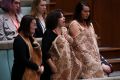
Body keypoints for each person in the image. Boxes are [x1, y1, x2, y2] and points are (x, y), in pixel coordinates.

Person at [68, 2, 105, 79]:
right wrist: (91, 62)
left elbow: (94, 43)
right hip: (83, 60)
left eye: (88, 11)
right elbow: (80, 46)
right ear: (79, 12)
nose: (87, 13)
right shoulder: (74, 24)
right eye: (85, 11)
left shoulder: (90, 24)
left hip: (95, 57)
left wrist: (97, 60)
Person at [41, 9, 72, 80]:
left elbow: (71, 43)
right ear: (55, 19)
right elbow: (45, 51)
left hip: (65, 67)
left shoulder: (64, 31)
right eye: (61, 17)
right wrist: (52, 66)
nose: (64, 18)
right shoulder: (48, 33)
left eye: (64, 16)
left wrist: (68, 38)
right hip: (54, 69)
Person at [11, 15, 44, 80]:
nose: (36, 27)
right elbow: (23, 60)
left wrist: (41, 65)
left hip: (33, 73)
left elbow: (38, 54)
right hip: (21, 74)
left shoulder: (30, 38)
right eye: (34, 25)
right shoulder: (19, 40)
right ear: (27, 25)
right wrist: (37, 67)